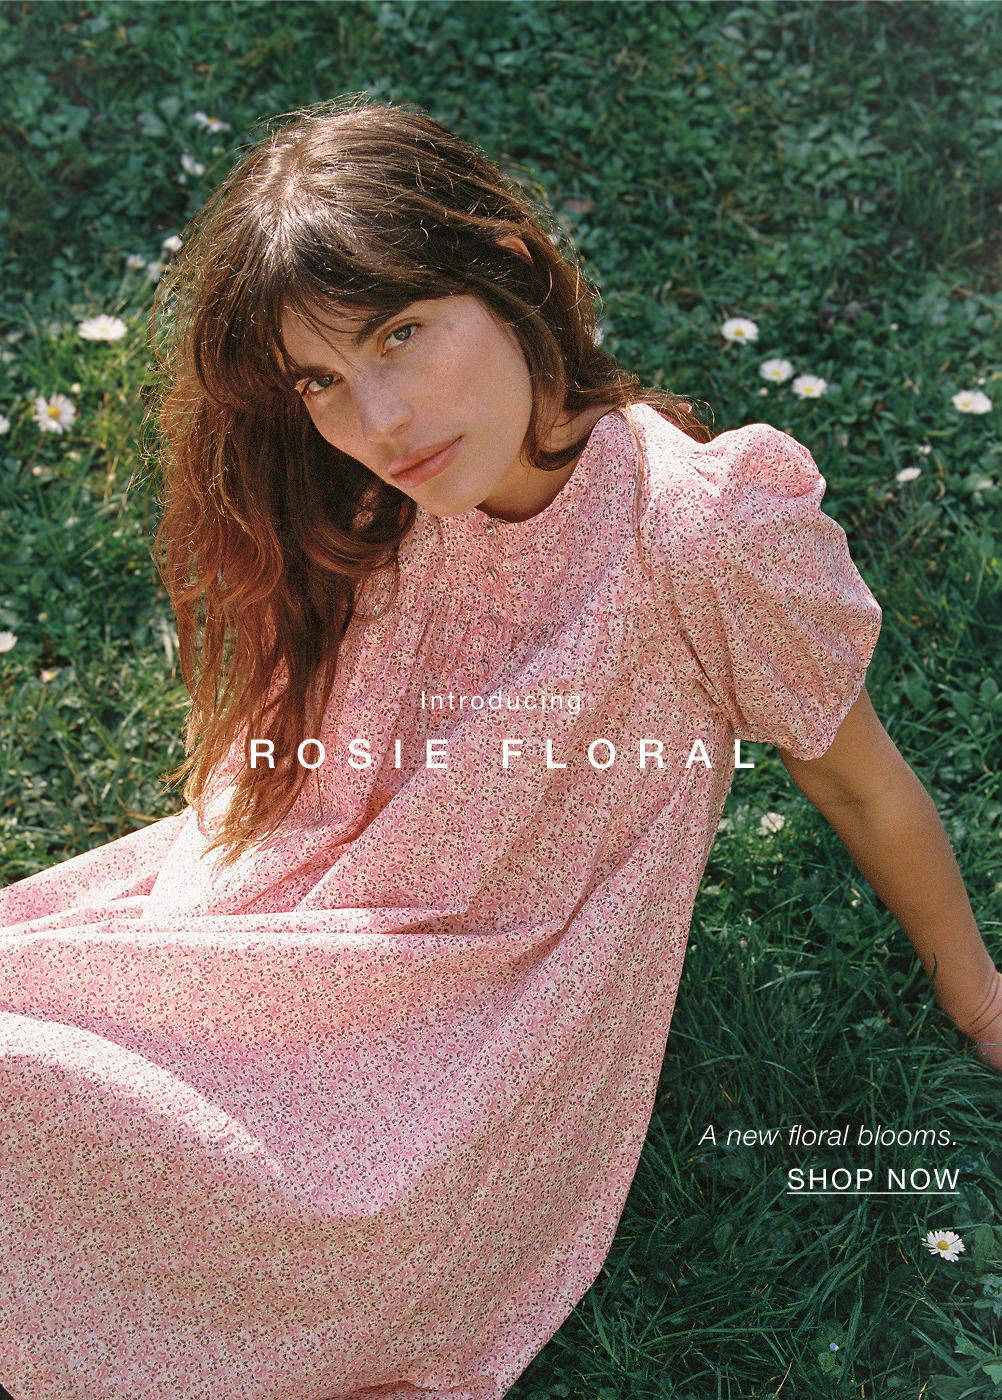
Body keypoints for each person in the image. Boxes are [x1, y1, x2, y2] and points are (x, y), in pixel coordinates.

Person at [0, 98, 999, 1400]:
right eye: (320, 381)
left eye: (400, 333)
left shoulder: (699, 540)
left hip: (476, 1042)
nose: (377, 416)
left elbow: (858, 783)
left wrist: (978, 996)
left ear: (511, 272)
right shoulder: (380, 493)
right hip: (308, 919)